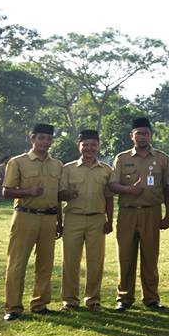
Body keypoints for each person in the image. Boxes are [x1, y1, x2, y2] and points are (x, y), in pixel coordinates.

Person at [108, 117, 169, 311]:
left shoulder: (162, 158)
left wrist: (167, 216)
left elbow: (167, 189)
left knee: (150, 257)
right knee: (125, 256)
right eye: (138, 133)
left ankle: (152, 298)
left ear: (151, 135)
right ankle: (124, 298)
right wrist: (129, 190)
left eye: (146, 133)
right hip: (127, 213)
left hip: (151, 212)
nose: (142, 136)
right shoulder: (122, 158)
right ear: (132, 136)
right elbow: (112, 184)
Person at [1, 123, 63, 321]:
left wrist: (59, 221)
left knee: (45, 264)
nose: (45, 142)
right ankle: (13, 307)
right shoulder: (18, 162)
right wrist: (28, 192)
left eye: (48, 138)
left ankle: (40, 304)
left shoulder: (57, 165)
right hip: (25, 216)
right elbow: (6, 191)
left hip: (49, 218)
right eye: (41, 138)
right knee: (17, 263)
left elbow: (57, 196)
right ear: (32, 138)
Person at [58, 129, 113, 311]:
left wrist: (109, 220)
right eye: (85, 145)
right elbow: (59, 195)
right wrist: (68, 195)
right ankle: (70, 299)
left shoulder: (106, 170)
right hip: (73, 217)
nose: (89, 148)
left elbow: (109, 198)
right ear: (78, 146)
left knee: (95, 261)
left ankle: (93, 299)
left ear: (98, 146)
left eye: (93, 145)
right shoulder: (68, 168)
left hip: (97, 219)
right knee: (70, 260)